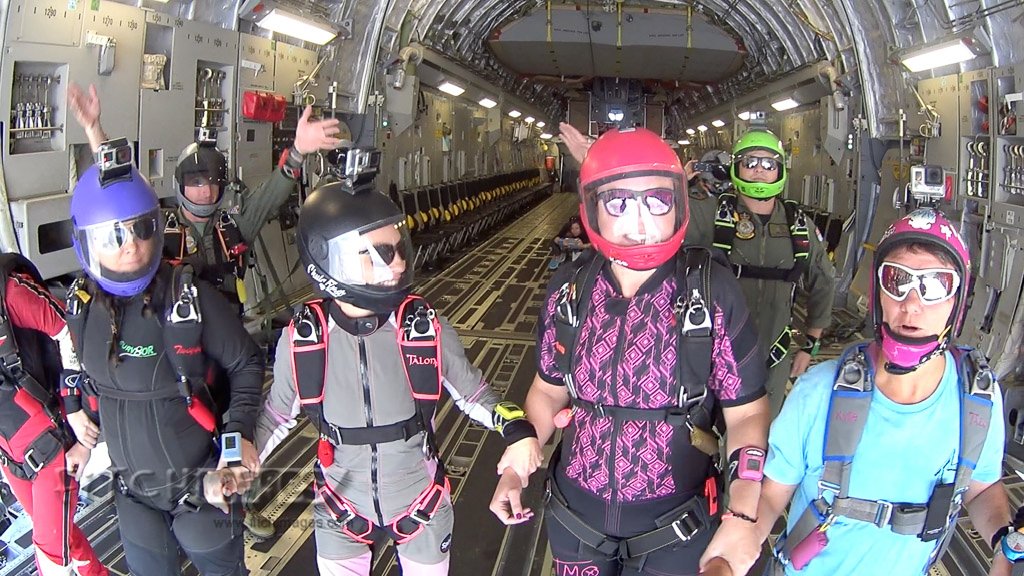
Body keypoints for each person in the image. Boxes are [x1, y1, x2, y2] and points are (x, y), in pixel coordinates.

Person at [491, 127, 770, 576]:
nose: (639, 223)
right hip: (576, 520)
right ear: (592, 209)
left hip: (676, 526)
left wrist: (742, 512)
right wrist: (517, 468)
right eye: (618, 202)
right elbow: (547, 391)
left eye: (656, 201)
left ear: (678, 204)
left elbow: (747, 414)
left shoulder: (711, 292)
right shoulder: (570, 289)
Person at [68, 82, 341, 538]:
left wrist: (297, 151)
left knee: (236, 430)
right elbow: (119, 194)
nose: (204, 189)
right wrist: (95, 131)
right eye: (195, 182)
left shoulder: (232, 227)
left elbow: (271, 194)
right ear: (180, 187)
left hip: (225, 349)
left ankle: (235, 505)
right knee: (179, 433)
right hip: (175, 349)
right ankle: (172, 507)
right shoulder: (156, 229)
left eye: (212, 181)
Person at [255, 173, 542, 576]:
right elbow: (274, 416)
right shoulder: (304, 341)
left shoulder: (423, 330)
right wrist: (235, 464)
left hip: (421, 506)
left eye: (398, 248)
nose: (399, 263)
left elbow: (475, 394)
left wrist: (518, 429)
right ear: (329, 260)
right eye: (379, 253)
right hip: (338, 509)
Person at [752, 207, 1013, 576]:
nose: (912, 304)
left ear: (958, 301)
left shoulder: (978, 401)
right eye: (897, 280)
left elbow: (982, 488)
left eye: (935, 285)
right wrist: (734, 552)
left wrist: (1003, 540)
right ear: (878, 294)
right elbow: (770, 496)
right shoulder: (818, 392)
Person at [61, 155, 263, 576]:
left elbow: (246, 362)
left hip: (201, 487)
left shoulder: (188, 299)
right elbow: (90, 378)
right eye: (113, 235)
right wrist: (82, 435)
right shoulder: (82, 308)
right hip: (133, 492)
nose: (130, 245)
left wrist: (239, 435)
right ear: (87, 242)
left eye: (141, 229)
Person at [702, 129, 835, 417]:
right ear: (736, 168)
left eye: (769, 164)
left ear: (780, 170)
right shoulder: (710, 215)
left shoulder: (798, 225)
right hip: (712, 354)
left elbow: (824, 281)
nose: (759, 171)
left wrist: (809, 346)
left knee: (762, 433)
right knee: (704, 433)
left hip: (774, 357)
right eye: (750, 163)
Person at [0, 253, 108, 576]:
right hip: (10, 452)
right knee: (59, 535)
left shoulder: (11, 293)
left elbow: (70, 330)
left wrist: (75, 412)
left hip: (47, 445)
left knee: (49, 548)